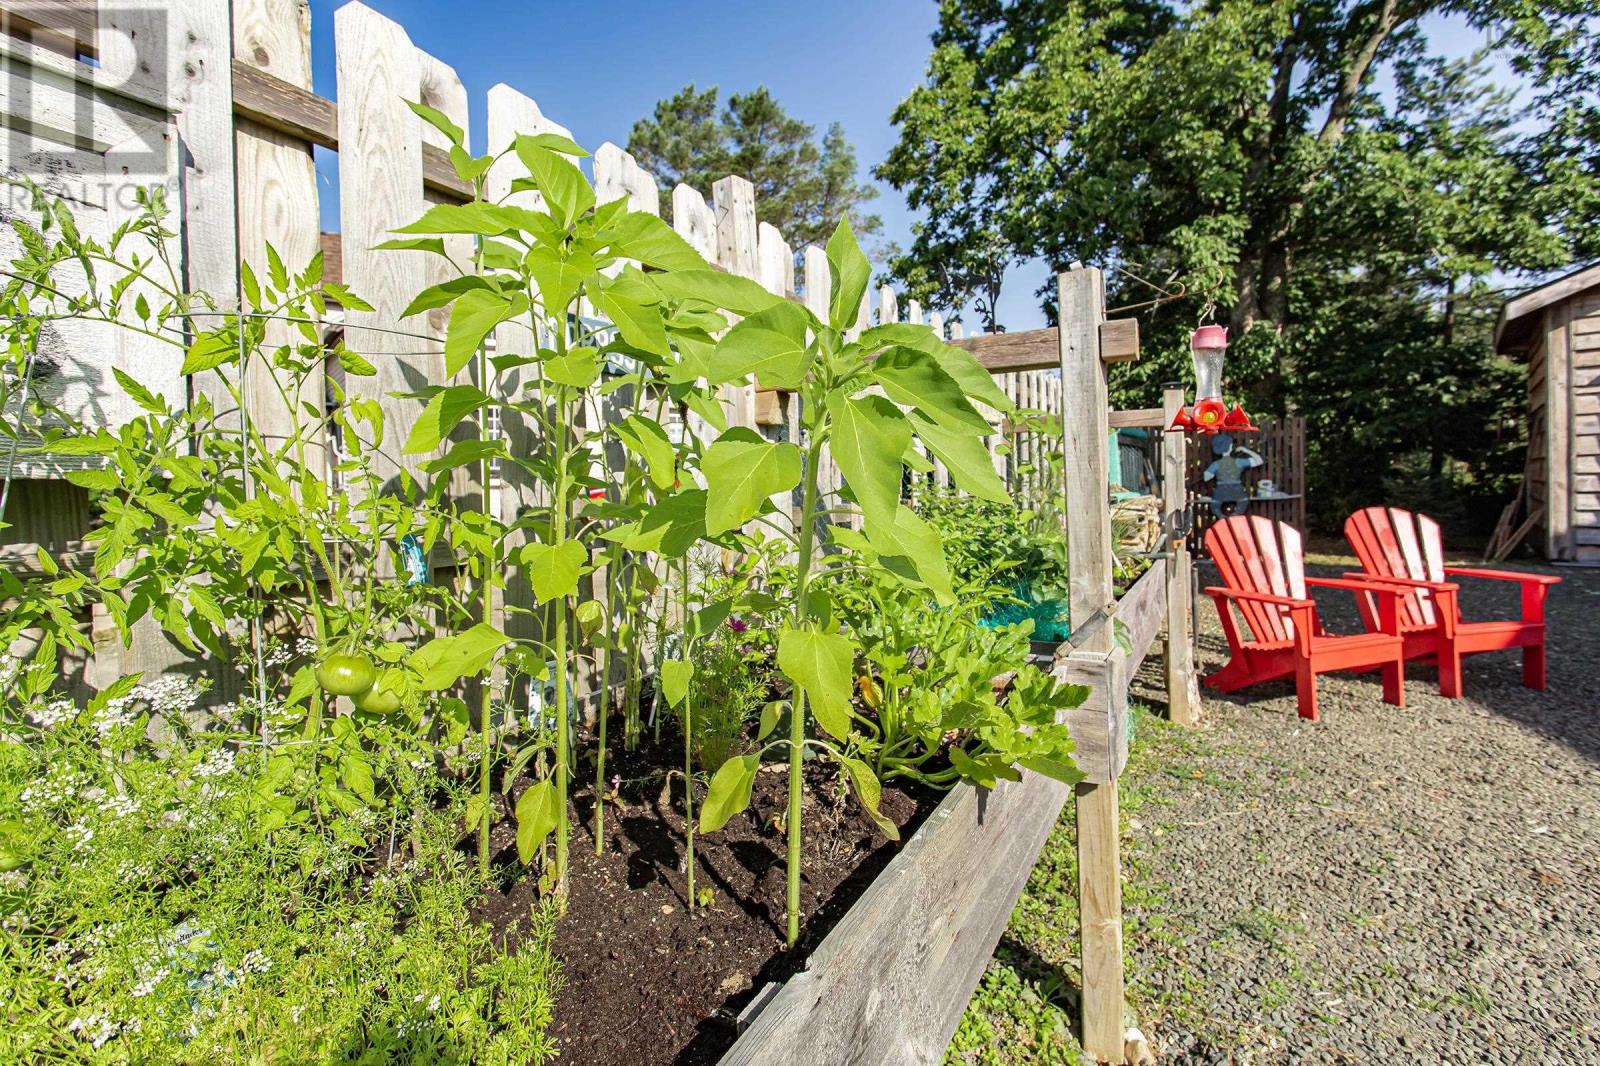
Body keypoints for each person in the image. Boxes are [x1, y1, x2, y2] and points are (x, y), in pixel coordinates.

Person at [1203, 433, 1264, 517]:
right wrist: (1245, 450)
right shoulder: (1238, 462)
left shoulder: (1216, 464)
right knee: (1242, 504)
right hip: (1237, 491)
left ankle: (1223, 519)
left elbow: (1206, 477)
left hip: (1220, 491)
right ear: (1230, 447)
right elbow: (1259, 460)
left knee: (1216, 508)